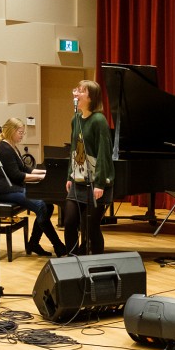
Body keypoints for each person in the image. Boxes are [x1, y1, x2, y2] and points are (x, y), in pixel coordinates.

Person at [0, 117, 65, 257]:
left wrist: (46, 172)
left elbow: (25, 168)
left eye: (23, 132)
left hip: (14, 187)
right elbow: (17, 175)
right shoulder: (5, 148)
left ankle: (34, 243)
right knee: (41, 206)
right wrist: (43, 177)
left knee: (48, 206)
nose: (22, 135)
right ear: (11, 131)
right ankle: (57, 245)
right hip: (5, 190)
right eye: (20, 132)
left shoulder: (12, 146)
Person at [64, 80, 115, 255]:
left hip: (95, 182)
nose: (76, 93)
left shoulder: (99, 120)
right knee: (70, 222)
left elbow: (103, 152)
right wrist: (70, 176)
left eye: (81, 91)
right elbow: (73, 148)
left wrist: (100, 183)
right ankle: (71, 260)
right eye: (76, 90)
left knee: (91, 227)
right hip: (77, 180)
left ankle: (97, 261)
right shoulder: (75, 119)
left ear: (91, 97)